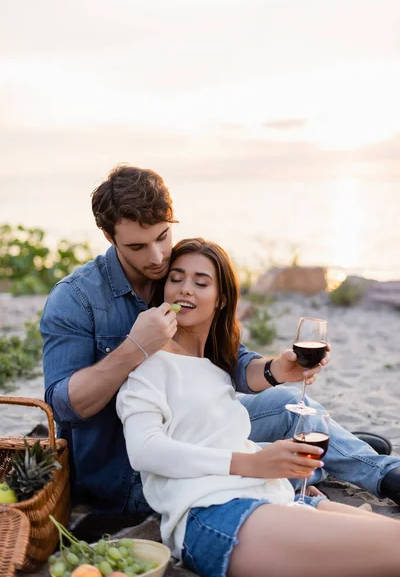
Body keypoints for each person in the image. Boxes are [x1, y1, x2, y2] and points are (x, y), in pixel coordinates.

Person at [40, 164, 400, 515]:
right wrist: (135, 347)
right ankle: (330, 456)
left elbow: (229, 361)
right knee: (283, 456)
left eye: (163, 236)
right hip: (131, 464)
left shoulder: (178, 275)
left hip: (198, 424)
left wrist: (276, 369)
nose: (157, 257)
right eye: (137, 247)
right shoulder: (77, 299)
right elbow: (65, 407)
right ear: (109, 237)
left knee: (292, 404)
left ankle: (380, 473)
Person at [116, 237, 400, 577]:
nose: (185, 289)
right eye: (176, 279)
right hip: (214, 513)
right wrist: (252, 463)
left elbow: (217, 437)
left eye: (200, 282)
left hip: (275, 497)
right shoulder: (150, 365)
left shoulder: (216, 366)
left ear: (221, 299)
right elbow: (144, 450)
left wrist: (275, 466)